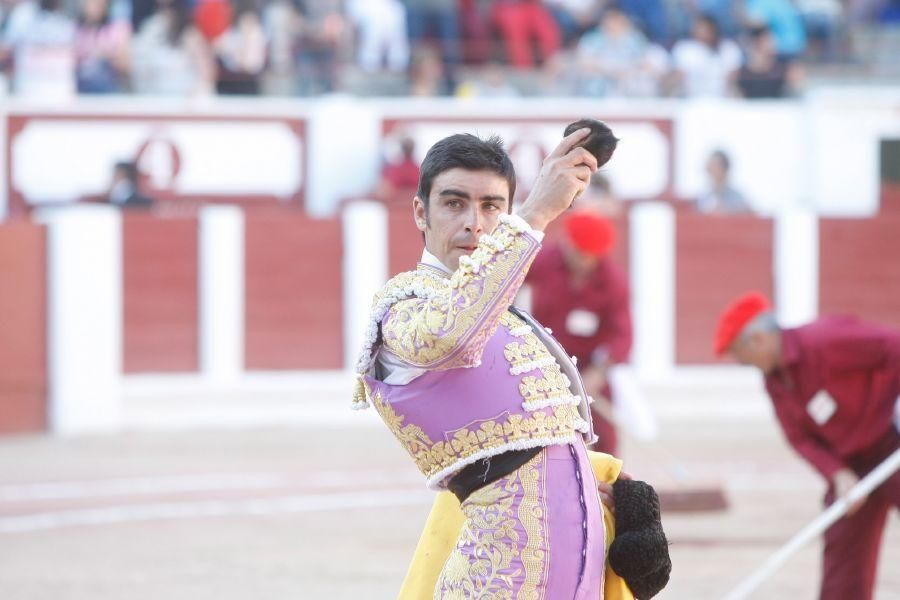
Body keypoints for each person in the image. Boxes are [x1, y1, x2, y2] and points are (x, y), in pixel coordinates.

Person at [353, 125, 615, 596]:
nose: (475, 222)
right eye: (454, 203)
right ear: (420, 212)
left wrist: (612, 490)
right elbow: (451, 336)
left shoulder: (503, 314)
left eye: (492, 206)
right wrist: (534, 215)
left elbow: (541, 438)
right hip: (499, 573)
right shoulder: (403, 307)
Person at [715, 292, 900, 600]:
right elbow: (799, 438)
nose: (740, 363)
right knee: (843, 553)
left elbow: (893, 345)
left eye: (739, 354)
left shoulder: (826, 340)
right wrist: (837, 473)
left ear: (758, 340)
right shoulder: (774, 381)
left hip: (890, 442)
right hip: (850, 464)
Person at [523, 211, 632, 455]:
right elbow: (511, 282)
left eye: (587, 255)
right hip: (545, 360)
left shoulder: (613, 281)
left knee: (603, 432)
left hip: (587, 366)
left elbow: (622, 335)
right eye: (577, 251)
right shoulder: (547, 260)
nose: (581, 260)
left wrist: (598, 372)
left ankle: (606, 482)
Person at [670, 13, 742, 98]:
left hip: (722, 101)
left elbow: (733, 80)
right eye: (700, 28)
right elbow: (678, 78)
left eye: (707, 29)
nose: (703, 32)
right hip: (692, 101)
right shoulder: (684, 49)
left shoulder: (729, 48)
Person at [696, 149, 751, 214]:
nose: (713, 171)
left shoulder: (737, 197)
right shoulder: (702, 197)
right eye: (711, 166)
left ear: (725, 169)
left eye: (717, 166)